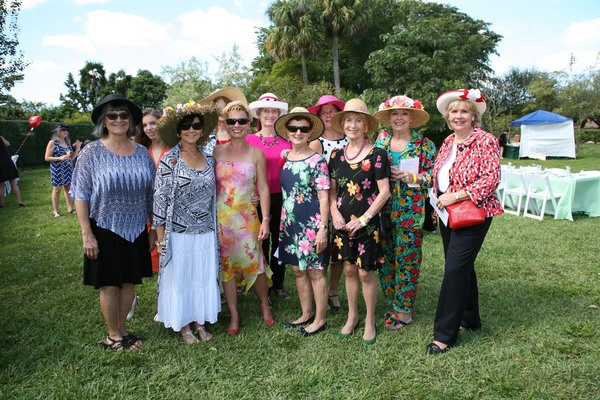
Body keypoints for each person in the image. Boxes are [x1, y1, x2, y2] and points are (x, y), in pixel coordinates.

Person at [70, 94, 156, 351]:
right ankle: (112, 335)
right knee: (109, 283)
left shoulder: (142, 152)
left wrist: (152, 229)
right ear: (104, 121)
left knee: (129, 280)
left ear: (131, 121)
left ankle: (122, 329)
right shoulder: (92, 152)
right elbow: (80, 193)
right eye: (112, 115)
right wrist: (87, 234)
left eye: (124, 115)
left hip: (137, 227)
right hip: (104, 226)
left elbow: (151, 193)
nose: (118, 119)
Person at [426, 89, 503, 354]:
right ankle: (470, 319)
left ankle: (444, 335)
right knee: (461, 266)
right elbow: (440, 175)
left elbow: (491, 179)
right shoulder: (448, 141)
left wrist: (456, 195)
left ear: (473, 116)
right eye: (454, 111)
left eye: (464, 111)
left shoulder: (486, 140)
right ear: (447, 116)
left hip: (473, 213)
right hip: (447, 214)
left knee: (455, 270)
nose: (458, 116)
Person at [153, 101, 221, 344]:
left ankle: (199, 321)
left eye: (196, 126)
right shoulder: (169, 160)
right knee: (181, 278)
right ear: (178, 130)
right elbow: (159, 200)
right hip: (178, 231)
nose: (191, 130)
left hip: (205, 230)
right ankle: (183, 325)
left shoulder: (209, 158)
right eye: (186, 126)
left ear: (202, 130)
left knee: (201, 276)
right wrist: (160, 238)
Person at [328, 98, 391, 345]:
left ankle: (369, 320)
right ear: (343, 124)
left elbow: (384, 192)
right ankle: (352, 317)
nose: (353, 125)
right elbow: (332, 190)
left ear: (366, 126)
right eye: (349, 120)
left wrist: (364, 219)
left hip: (367, 223)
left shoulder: (378, 154)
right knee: (349, 269)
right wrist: (334, 213)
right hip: (343, 223)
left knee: (365, 272)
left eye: (358, 121)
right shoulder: (335, 155)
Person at [373, 95, 436, 330]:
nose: (399, 118)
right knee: (386, 258)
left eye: (404, 114)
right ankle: (394, 302)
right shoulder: (380, 143)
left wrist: (414, 177)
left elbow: (434, 177)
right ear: (389, 118)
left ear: (412, 118)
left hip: (411, 211)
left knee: (407, 260)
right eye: (395, 114)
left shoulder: (424, 145)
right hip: (383, 210)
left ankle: (404, 310)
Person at [214, 100, 274, 335]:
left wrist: (266, 219)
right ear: (226, 125)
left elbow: (265, 188)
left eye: (241, 120)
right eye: (232, 121)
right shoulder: (216, 151)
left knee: (255, 264)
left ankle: (264, 303)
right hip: (222, 220)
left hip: (248, 219)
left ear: (249, 123)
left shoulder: (256, 153)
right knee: (227, 268)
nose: (237, 125)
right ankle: (234, 314)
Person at [276, 107, 330, 336]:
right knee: (298, 271)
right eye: (293, 128)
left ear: (310, 133)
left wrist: (323, 229)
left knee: (316, 272)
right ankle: (306, 313)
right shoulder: (284, 158)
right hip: (289, 223)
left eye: (303, 129)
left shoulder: (317, 160)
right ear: (287, 132)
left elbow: (324, 196)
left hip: (312, 224)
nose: (298, 132)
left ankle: (320, 318)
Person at [247, 93, 292, 300]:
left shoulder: (288, 141)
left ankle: (279, 283)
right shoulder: (248, 140)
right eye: (266, 111)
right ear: (258, 113)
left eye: (274, 111)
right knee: (261, 242)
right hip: (257, 199)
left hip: (282, 198)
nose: (270, 115)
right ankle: (262, 283)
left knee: (280, 241)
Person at [307, 94, 347, 313]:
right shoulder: (316, 141)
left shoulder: (349, 137)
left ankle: (333, 290)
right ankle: (320, 294)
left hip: (347, 200)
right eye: (324, 112)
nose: (329, 115)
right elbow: (312, 175)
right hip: (322, 201)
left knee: (339, 250)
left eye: (332, 111)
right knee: (322, 249)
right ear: (319, 117)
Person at [135, 108, 171, 274]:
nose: (149, 128)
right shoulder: (140, 150)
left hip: (170, 205)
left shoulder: (173, 148)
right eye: (145, 125)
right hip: (148, 204)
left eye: (153, 123)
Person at [44, 123, 81, 217]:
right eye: (63, 130)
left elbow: (71, 158)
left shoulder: (67, 142)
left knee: (68, 188)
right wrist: (60, 158)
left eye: (66, 130)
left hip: (68, 168)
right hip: (57, 169)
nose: (65, 132)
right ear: (58, 132)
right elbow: (47, 158)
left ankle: (70, 208)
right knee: (57, 189)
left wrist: (77, 149)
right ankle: (56, 211)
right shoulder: (52, 143)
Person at [200, 87, 248, 155]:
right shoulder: (205, 135)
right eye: (217, 107)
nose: (221, 111)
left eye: (225, 106)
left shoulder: (240, 133)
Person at [0, 136, 24, 208]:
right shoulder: (0, 138)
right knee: (13, 184)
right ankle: (20, 202)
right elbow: (8, 144)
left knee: (1, 185)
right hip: (7, 162)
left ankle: (1, 203)